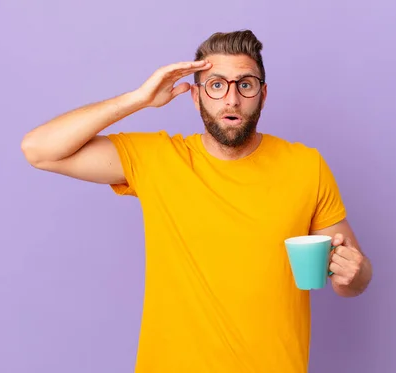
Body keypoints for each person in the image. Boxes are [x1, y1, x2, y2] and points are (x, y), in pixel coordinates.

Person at [21, 29, 372, 373]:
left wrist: (353, 273)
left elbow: (353, 279)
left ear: (263, 95)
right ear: (196, 95)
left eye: (245, 84)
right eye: (217, 85)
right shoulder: (157, 159)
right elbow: (39, 150)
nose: (231, 100)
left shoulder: (306, 166)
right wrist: (138, 99)